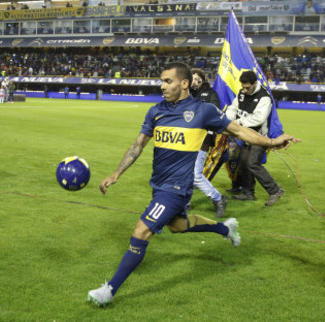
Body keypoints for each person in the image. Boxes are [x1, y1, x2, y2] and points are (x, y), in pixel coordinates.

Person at [87, 63, 300, 307]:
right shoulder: (155, 111)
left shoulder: (203, 111)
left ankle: (109, 290)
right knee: (178, 226)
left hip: (177, 188)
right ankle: (225, 229)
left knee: (141, 231)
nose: (162, 85)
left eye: (168, 81)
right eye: (162, 80)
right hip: (159, 185)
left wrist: (272, 142)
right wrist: (116, 174)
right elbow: (138, 146)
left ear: (184, 84)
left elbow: (239, 131)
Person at [226, 70, 285, 206]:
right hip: (246, 136)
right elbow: (233, 108)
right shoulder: (241, 93)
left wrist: (239, 123)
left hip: (259, 137)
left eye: (248, 87)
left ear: (255, 83)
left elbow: (259, 118)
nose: (245, 90)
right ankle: (248, 193)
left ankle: (275, 190)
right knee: (244, 162)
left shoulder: (264, 97)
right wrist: (229, 119)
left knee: (253, 163)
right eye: (243, 87)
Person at [190, 68, 228, 217]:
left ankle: (218, 198)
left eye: (197, 79)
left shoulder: (211, 94)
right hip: (185, 139)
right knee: (183, 172)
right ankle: (184, 203)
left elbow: (213, 114)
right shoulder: (184, 94)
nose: (195, 82)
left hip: (203, 138)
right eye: (192, 79)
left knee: (196, 175)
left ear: (202, 80)